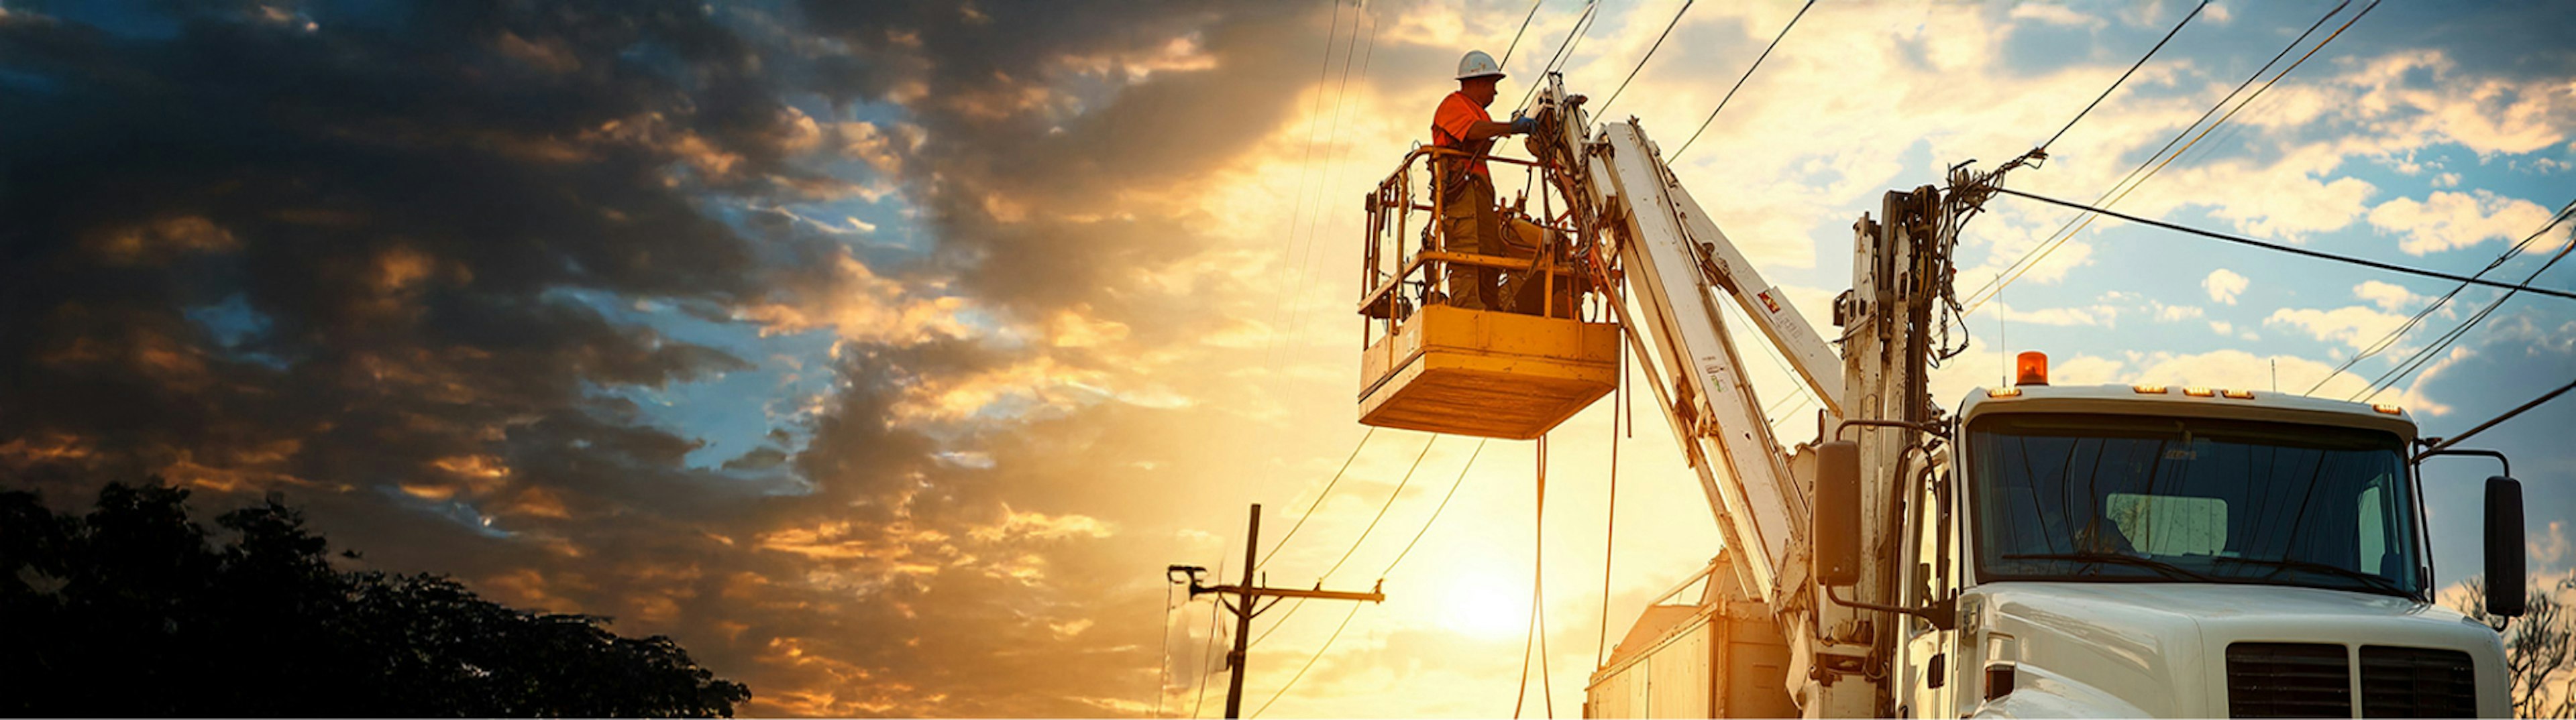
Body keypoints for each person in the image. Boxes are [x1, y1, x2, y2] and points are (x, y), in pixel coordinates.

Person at [1431, 50, 1538, 311]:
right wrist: (1511, 128)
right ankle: (1469, 311)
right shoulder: (1453, 104)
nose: (1495, 93)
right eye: (1493, 85)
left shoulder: (1477, 112)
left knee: (1490, 254)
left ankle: (1490, 309)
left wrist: (1506, 128)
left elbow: (1481, 140)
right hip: (1462, 196)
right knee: (1468, 252)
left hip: (1478, 191)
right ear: (1479, 82)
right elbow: (1473, 131)